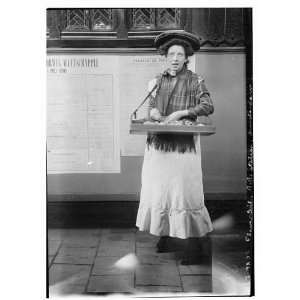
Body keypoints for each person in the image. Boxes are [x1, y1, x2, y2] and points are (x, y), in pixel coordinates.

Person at [135, 30, 214, 265]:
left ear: (186, 57)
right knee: (161, 190)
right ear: (165, 56)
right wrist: (155, 113)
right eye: (171, 54)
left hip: (183, 149)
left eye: (180, 54)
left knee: (183, 193)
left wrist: (182, 112)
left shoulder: (195, 80)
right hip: (159, 147)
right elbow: (151, 108)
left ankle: (196, 248)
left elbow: (208, 106)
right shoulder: (156, 81)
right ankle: (167, 237)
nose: (175, 58)